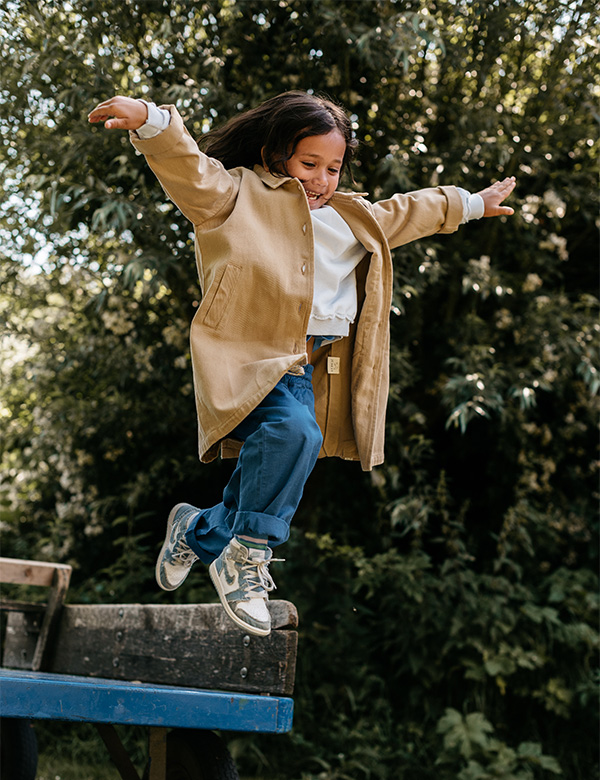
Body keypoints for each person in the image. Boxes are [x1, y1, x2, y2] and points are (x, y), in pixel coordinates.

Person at [88, 91, 516, 637]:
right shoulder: (234, 195)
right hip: (245, 358)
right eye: (308, 164)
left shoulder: (351, 217)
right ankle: (245, 556)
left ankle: (197, 531)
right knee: (297, 434)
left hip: (304, 364)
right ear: (275, 155)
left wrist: (473, 203)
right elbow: (188, 168)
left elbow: (409, 211)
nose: (321, 179)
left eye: (333, 168)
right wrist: (152, 121)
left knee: (282, 449)